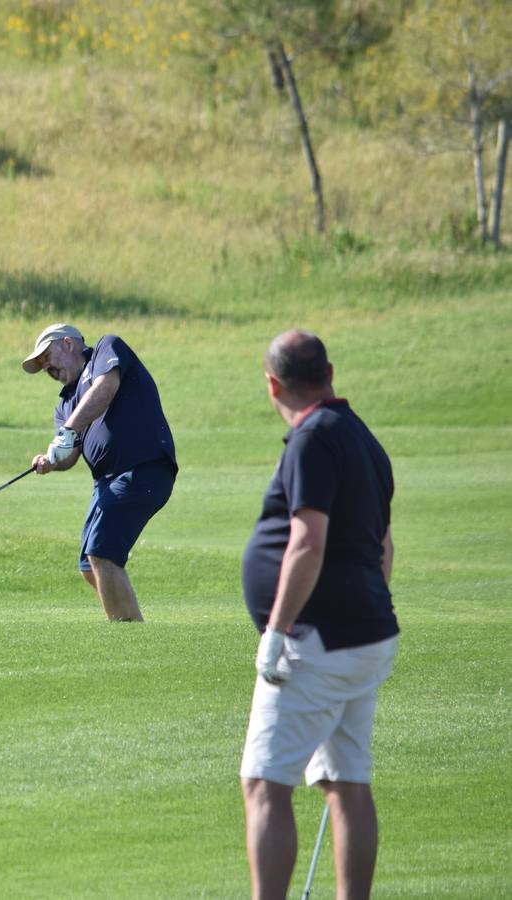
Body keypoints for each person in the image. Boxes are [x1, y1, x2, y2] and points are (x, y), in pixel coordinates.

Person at [240, 330, 399, 900]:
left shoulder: (311, 439)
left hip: (317, 640)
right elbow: (383, 548)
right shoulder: (363, 438)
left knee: (264, 782)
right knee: (346, 779)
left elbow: (307, 542)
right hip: (363, 635)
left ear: (272, 385)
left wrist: (277, 631)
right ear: (330, 370)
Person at [22, 323, 177, 621]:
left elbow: (106, 389)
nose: (45, 367)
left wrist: (67, 431)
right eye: (40, 364)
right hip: (106, 482)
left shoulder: (107, 349)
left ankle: (126, 636)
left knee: (102, 553)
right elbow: (70, 455)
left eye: (45, 357)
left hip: (142, 467)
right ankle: (133, 625)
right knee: (88, 563)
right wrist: (51, 461)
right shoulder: (66, 403)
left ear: (68, 343)